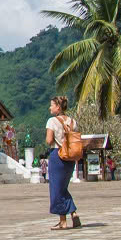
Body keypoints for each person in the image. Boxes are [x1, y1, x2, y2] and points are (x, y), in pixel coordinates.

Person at [44, 96, 80, 230]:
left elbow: (49, 140)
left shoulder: (52, 121)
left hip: (57, 155)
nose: (50, 107)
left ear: (58, 107)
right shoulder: (72, 122)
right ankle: (74, 214)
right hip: (70, 157)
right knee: (63, 187)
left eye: (52, 105)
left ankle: (63, 221)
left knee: (56, 189)